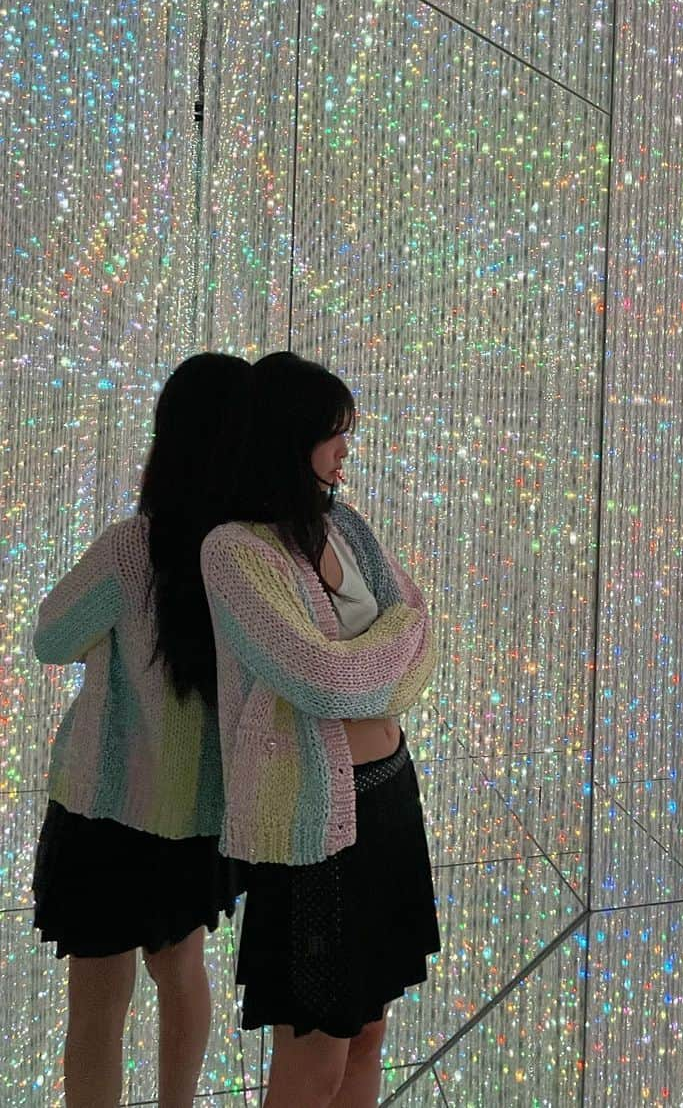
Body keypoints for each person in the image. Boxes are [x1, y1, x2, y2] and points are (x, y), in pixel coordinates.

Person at [200, 351, 439, 1108]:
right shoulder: (236, 550)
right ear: (286, 435)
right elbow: (319, 678)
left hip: (391, 800)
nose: (345, 449)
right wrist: (386, 652)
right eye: (333, 434)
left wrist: (377, 654)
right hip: (313, 828)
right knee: (315, 1054)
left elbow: (424, 631)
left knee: (369, 1035)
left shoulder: (347, 524)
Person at [32, 352, 253, 1108]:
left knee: (97, 1001)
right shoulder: (251, 556)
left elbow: (51, 636)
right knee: (181, 971)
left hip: (103, 808)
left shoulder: (130, 547)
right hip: (197, 816)